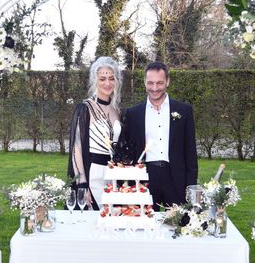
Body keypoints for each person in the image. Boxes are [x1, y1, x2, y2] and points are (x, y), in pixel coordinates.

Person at [120, 61, 198, 209]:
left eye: (159, 83)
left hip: (176, 177)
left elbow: (190, 151)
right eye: (150, 83)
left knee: (179, 224)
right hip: (144, 177)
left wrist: (191, 185)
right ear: (144, 82)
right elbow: (128, 152)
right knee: (143, 225)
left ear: (167, 82)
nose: (154, 88)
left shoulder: (184, 110)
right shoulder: (133, 113)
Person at [67, 56, 123, 209]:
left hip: (113, 175)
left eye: (111, 78)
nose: (107, 83)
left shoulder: (116, 110)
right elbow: (76, 149)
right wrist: (82, 183)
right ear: (95, 81)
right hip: (93, 173)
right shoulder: (85, 108)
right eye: (102, 78)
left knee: (112, 220)